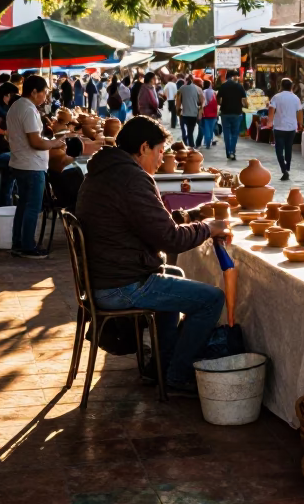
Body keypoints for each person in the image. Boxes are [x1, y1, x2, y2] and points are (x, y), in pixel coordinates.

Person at [76, 116, 226, 393]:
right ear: (144, 147)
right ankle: (177, 375)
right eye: (159, 152)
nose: (160, 161)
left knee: (174, 274)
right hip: (118, 286)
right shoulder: (132, 178)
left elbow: (147, 221)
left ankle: (161, 365)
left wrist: (187, 216)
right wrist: (208, 227)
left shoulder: (103, 170)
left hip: (105, 276)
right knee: (212, 299)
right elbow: (170, 239)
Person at [5, 74, 67, 258]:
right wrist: (55, 143)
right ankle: (28, 246)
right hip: (31, 165)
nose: (45, 97)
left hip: (20, 163)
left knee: (23, 205)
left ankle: (18, 243)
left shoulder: (16, 106)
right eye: (44, 92)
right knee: (32, 206)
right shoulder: (28, 109)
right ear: (34, 92)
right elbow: (36, 142)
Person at [267, 77, 303, 181]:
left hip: (279, 127)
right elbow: (300, 112)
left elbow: (271, 110)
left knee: (279, 149)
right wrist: (300, 124)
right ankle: (287, 167)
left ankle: (284, 169)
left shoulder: (276, 97)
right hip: (291, 127)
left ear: (281, 86)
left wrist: (269, 121)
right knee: (288, 148)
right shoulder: (296, 98)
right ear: (292, 86)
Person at [217, 70, 247, 160]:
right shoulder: (239, 86)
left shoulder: (223, 86)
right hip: (236, 112)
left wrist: (221, 104)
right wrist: (245, 105)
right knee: (235, 133)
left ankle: (228, 152)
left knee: (226, 133)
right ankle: (232, 152)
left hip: (225, 112)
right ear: (234, 77)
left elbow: (218, 98)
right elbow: (244, 100)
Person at [175, 74, 202, 147]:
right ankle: (191, 145)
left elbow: (178, 101)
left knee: (184, 129)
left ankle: (187, 143)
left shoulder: (181, 88)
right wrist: (200, 112)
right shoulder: (198, 89)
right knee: (190, 131)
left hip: (184, 113)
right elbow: (202, 102)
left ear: (186, 80)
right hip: (194, 113)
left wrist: (177, 110)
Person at [201, 79, 218, 148]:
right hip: (214, 113)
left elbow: (203, 103)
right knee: (211, 129)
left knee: (206, 128)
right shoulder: (214, 92)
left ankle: (207, 142)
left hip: (206, 113)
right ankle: (209, 141)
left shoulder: (203, 92)